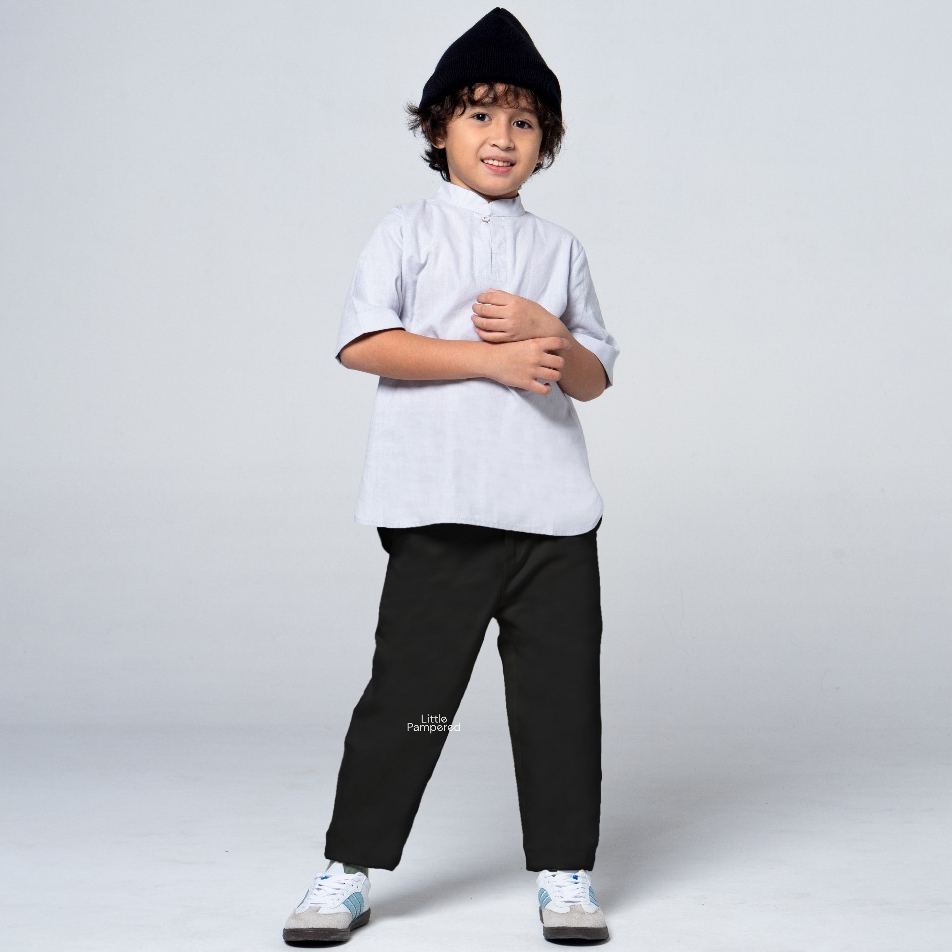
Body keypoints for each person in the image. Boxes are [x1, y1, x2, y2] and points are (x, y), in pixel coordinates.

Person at [283, 8, 620, 944]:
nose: (501, 136)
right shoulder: (408, 231)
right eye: (479, 114)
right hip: (440, 511)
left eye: (523, 120)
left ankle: (565, 871)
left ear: (545, 141)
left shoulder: (560, 249)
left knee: (559, 703)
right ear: (439, 129)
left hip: (554, 519)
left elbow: (592, 378)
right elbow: (364, 343)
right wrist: (491, 360)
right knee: (416, 705)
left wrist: (548, 333)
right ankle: (348, 869)